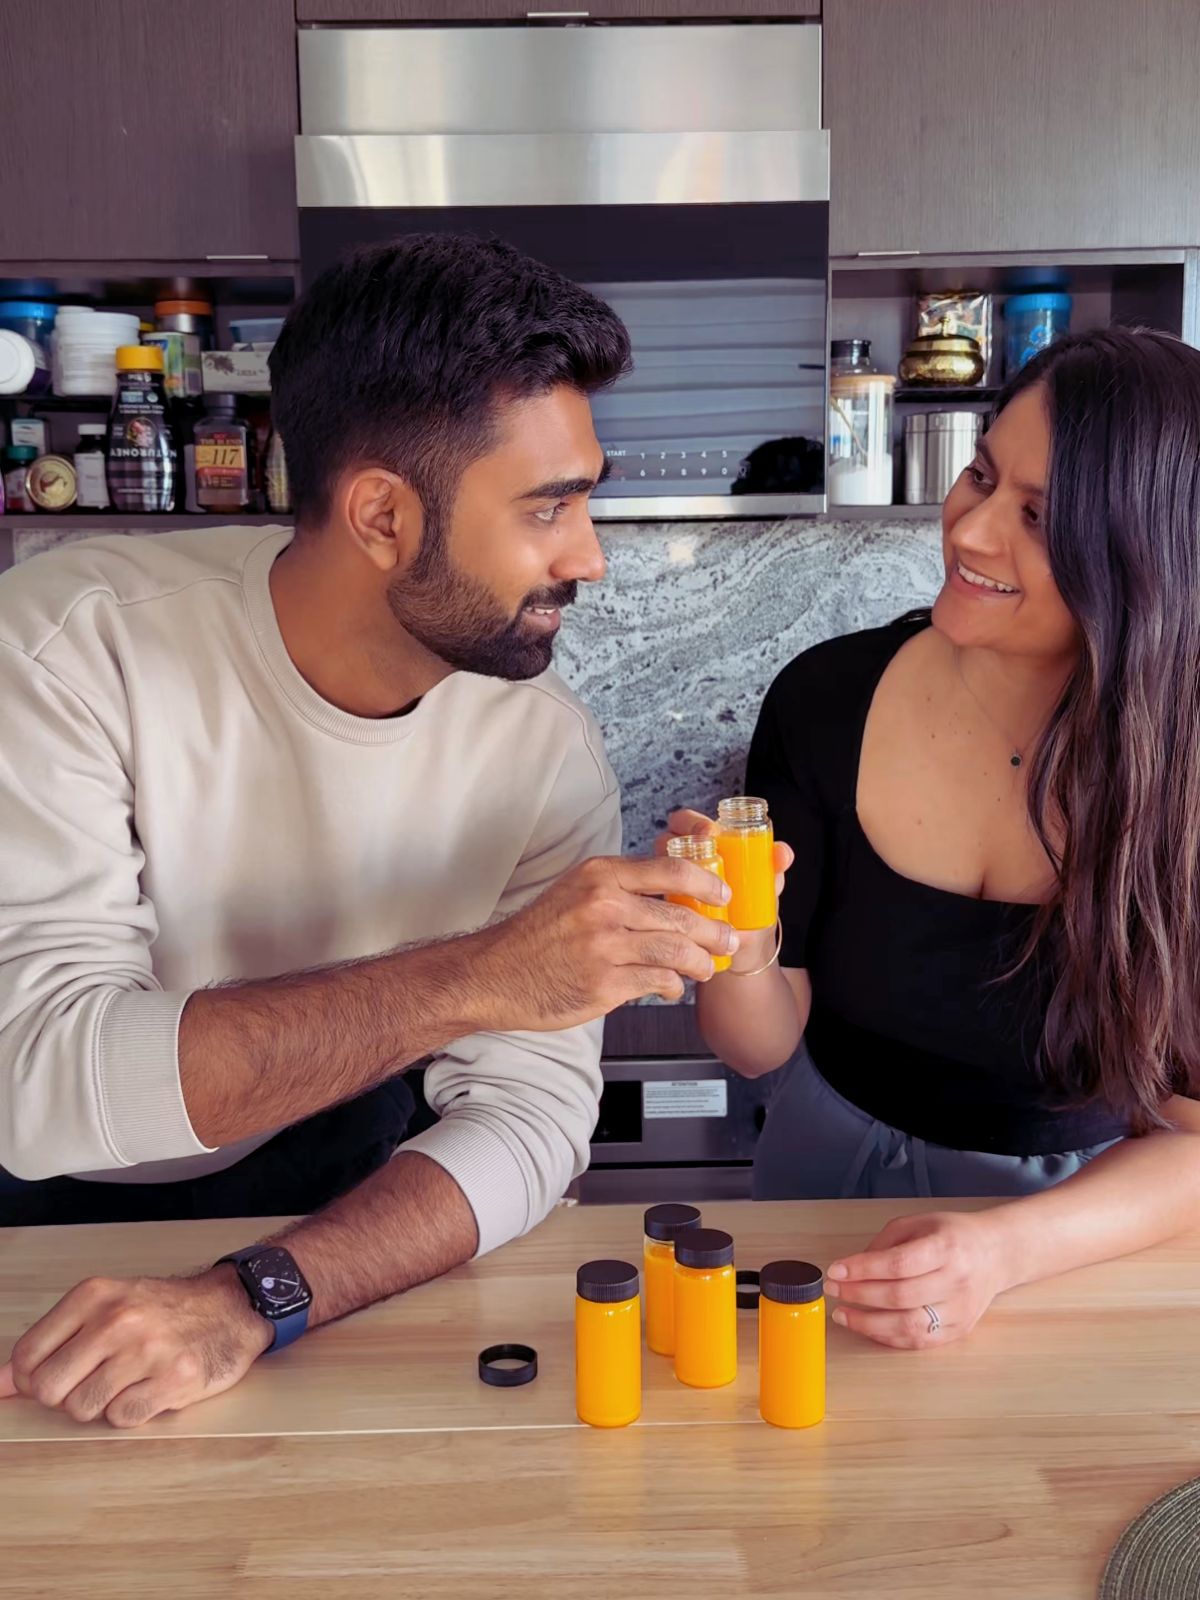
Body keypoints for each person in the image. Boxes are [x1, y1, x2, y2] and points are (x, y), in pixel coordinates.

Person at [0, 234, 737, 1426]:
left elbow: (533, 1117)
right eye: (548, 507)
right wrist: (483, 978)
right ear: (384, 516)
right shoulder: (63, 651)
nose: (590, 555)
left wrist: (257, 1297)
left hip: (350, 1202)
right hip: (50, 1198)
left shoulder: (540, 747)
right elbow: (40, 1082)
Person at [667, 328, 1200, 1350]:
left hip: (1079, 1231)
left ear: (1146, 558)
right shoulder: (825, 701)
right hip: (818, 1179)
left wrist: (1003, 1252)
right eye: (981, 474)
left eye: (1038, 517)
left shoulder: (1182, 784)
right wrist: (741, 940)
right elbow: (759, 1044)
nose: (972, 530)